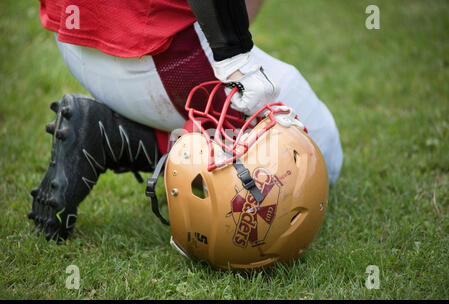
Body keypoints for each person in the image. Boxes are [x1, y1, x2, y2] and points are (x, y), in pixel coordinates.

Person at [29, 0, 343, 240]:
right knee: (317, 148)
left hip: (73, 33)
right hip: (156, 48)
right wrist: (234, 57)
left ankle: (105, 132)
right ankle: (120, 139)